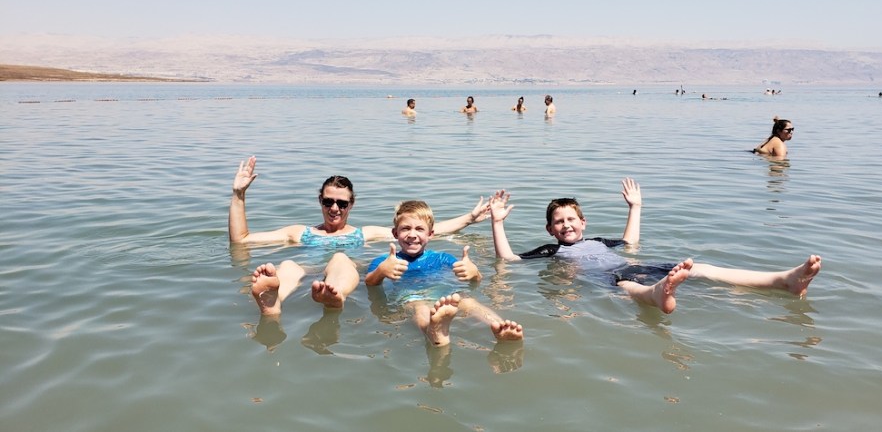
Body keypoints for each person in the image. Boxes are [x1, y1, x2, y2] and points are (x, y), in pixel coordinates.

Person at [488, 179, 822, 314]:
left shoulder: (598, 241)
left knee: (700, 268)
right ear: (550, 230)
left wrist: (635, 207)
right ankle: (657, 294)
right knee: (628, 287)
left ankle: (783, 280)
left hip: (633, 265)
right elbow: (510, 260)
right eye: (559, 222)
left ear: (583, 222)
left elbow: (630, 242)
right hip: (609, 278)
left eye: (571, 219)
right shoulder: (552, 251)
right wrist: (497, 223)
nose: (566, 225)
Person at [230, 156, 489, 317]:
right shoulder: (299, 233)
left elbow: (427, 231)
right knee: (287, 265)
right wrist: (238, 195)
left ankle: (335, 296)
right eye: (328, 201)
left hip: (343, 277)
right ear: (320, 201)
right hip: (307, 274)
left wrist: (469, 218)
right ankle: (273, 304)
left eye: (342, 203)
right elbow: (241, 240)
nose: (334, 208)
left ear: (351, 205)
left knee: (341, 259)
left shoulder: (364, 234)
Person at [366, 200, 524, 347]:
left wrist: (474, 272)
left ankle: (500, 328)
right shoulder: (385, 261)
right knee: (420, 308)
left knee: (468, 302)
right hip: (410, 297)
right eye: (406, 228)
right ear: (395, 233)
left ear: (430, 234)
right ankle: (433, 330)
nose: (412, 234)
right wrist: (381, 271)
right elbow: (370, 282)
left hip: (444, 294)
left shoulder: (442, 258)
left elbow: (474, 280)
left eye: (419, 229)